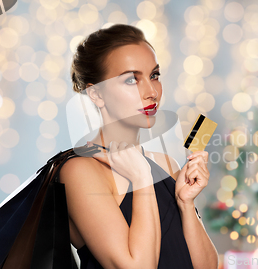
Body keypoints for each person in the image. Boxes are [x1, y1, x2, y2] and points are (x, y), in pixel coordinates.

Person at [59, 24, 219, 269]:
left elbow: (207, 267)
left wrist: (186, 204)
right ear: (96, 94)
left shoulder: (167, 164)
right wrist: (142, 178)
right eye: (132, 79)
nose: (152, 91)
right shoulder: (79, 171)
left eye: (154, 75)